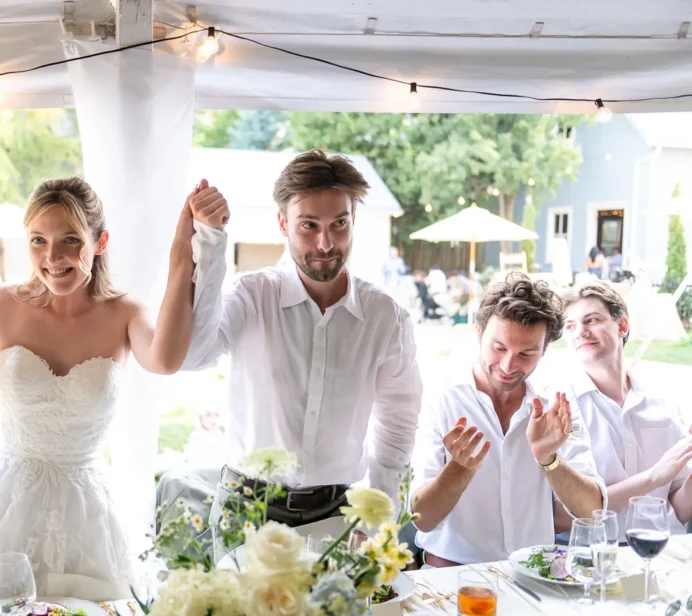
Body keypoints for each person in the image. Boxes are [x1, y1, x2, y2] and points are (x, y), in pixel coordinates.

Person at [0, 178, 226, 612]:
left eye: (70, 240)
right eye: (38, 240)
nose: (53, 258)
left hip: (88, 515)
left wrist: (182, 253)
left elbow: (165, 359)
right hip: (3, 511)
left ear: (99, 242)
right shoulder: (1, 305)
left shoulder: (125, 313)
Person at [182, 149, 422, 548]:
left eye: (339, 224)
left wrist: (377, 523)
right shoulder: (252, 295)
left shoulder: (386, 318)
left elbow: (397, 429)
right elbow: (193, 355)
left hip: (337, 512)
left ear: (353, 221)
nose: (325, 243)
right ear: (283, 223)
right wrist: (210, 244)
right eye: (308, 225)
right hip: (245, 508)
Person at [410, 273, 605, 566]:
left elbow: (592, 512)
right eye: (498, 348)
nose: (507, 365)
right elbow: (421, 519)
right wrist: (459, 470)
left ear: (544, 350)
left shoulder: (556, 401)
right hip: (449, 577)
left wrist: (549, 459)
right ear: (478, 332)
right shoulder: (442, 397)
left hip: (534, 576)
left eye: (526, 353)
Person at [561, 281, 692, 535]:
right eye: (570, 326)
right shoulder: (562, 408)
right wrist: (653, 476)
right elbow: (559, 518)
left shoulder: (662, 404)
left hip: (661, 555)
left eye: (591, 320)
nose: (581, 332)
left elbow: (680, 508)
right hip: (591, 560)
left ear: (622, 326)